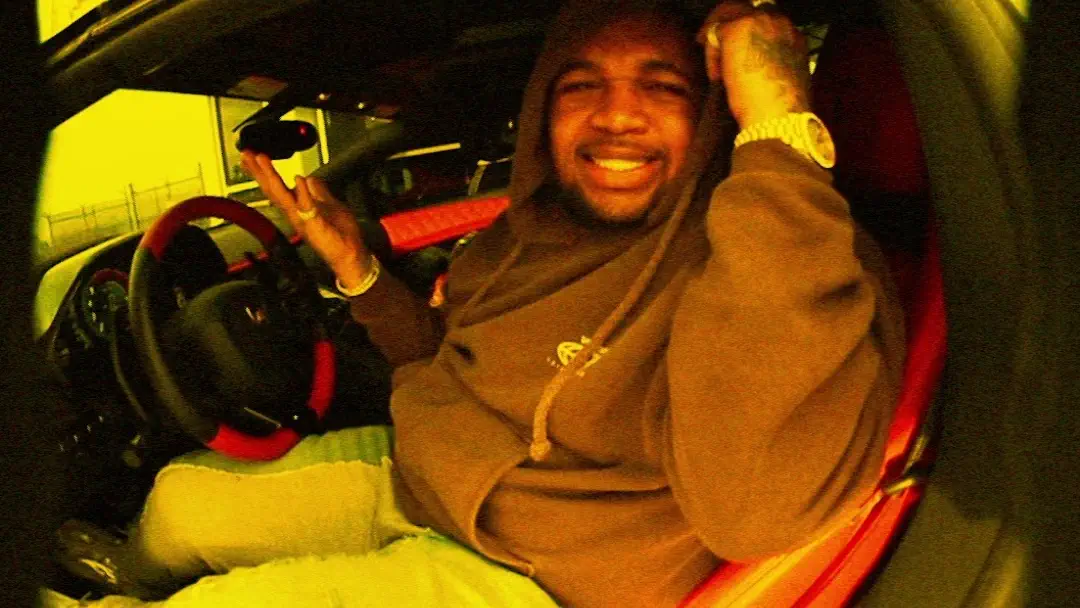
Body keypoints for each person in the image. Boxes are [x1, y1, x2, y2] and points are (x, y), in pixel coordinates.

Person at [50, 0, 905, 606]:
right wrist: (358, 270)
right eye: (581, 86)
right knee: (177, 506)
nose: (618, 116)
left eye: (663, 87)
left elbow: (754, 507)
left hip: (538, 580)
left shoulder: (779, 253)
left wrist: (779, 134)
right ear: (543, 111)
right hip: (429, 481)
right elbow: (444, 361)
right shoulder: (530, 236)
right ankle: (125, 581)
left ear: (715, 115)